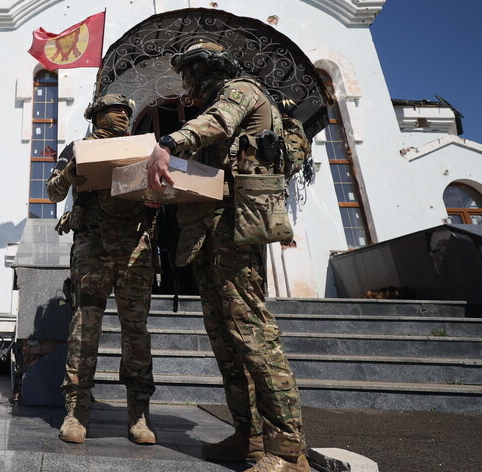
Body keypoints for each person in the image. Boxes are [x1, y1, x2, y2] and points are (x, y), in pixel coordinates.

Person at [145, 41, 309, 472]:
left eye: (188, 74)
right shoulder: (216, 102)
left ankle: (289, 451)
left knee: (254, 338)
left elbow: (217, 123)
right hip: (209, 238)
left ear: (204, 69)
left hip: (236, 235)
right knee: (226, 343)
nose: (186, 85)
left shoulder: (240, 90)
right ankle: (250, 437)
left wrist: (169, 143)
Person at [47, 93, 156, 446]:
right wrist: (71, 172)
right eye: (115, 112)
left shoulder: (141, 148)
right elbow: (51, 190)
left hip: (134, 246)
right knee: (85, 328)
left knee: (136, 331)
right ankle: (76, 411)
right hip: (93, 246)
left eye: (126, 112)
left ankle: (139, 415)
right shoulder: (79, 148)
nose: (122, 117)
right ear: (97, 115)